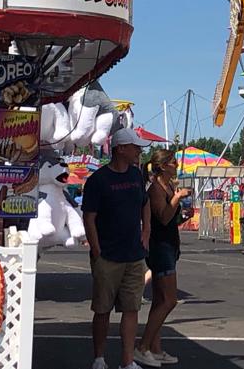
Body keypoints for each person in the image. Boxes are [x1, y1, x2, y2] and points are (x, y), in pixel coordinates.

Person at [83, 128, 152, 369]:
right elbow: (89, 217)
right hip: (108, 255)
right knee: (102, 309)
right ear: (120, 149)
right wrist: (97, 249)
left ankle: (127, 361)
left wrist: (146, 232)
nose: (139, 151)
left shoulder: (136, 175)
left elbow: (145, 204)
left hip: (133, 253)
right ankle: (99, 357)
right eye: (135, 147)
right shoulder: (98, 180)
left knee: (132, 308)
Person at [133, 149, 192, 367]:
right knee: (169, 300)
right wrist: (177, 198)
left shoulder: (167, 186)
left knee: (159, 299)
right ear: (163, 166)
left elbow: (171, 219)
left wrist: (183, 212)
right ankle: (143, 345)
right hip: (160, 247)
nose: (176, 165)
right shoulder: (156, 189)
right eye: (173, 162)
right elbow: (164, 216)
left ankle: (155, 348)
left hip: (169, 244)